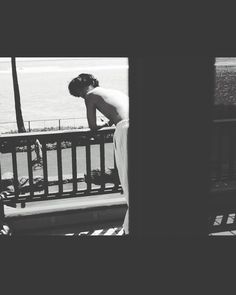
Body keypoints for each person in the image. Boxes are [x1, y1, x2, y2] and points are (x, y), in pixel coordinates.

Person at [68, 73, 129, 234]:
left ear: (83, 87)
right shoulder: (115, 92)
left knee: (128, 178)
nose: (82, 97)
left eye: (79, 94)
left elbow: (93, 126)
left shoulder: (90, 95)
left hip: (127, 130)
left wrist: (103, 123)